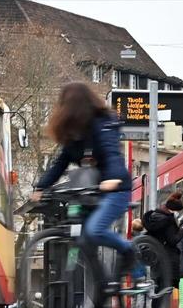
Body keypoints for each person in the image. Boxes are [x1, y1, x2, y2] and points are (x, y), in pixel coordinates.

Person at [32, 82, 135, 281]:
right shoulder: (74, 136)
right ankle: (100, 288)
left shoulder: (102, 124)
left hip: (116, 189)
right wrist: (41, 187)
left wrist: (112, 179)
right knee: (83, 238)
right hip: (92, 192)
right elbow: (59, 164)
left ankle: (127, 249)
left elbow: (111, 152)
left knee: (94, 230)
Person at [143, 192, 183, 308]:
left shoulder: (156, 217)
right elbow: (173, 240)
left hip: (156, 257)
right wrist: (182, 231)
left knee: (159, 289)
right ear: (173, 210)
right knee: (165, 290)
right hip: (166, 258)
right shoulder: (167, 220)